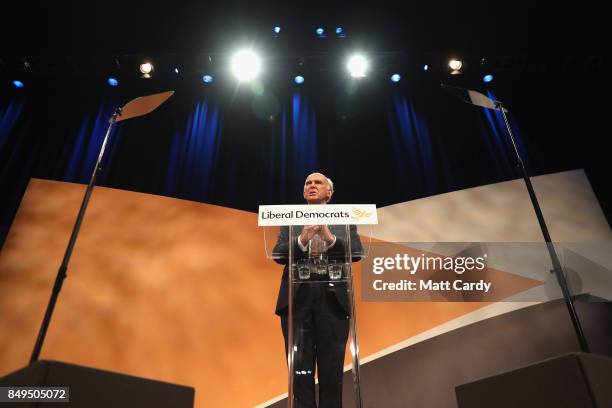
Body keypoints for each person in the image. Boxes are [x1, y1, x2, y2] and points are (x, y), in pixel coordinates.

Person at [273, 172, 362, 408]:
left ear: (329, 192)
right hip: (297, 300)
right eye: (307, 183)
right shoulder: (291, 218)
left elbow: (357, 252)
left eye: (317, 183)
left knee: (332, 374)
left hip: (333, 301)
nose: (312, 186)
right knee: (300, 375)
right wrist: (301, 238)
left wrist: (330, 238)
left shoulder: (345, 218)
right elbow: (278, 253)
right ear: (304, 192)